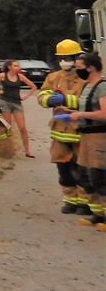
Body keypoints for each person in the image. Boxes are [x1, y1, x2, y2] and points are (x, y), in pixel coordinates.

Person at [40, 40, 89, 214]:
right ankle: (70, 201)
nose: (64, 61)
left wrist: (65, 100)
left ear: (77, 57)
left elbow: (88, 102)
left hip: (80, 132)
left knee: (83, 170)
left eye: (67, 57)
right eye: (61, 58)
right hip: (60, 132)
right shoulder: (54, 77)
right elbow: (42, 96)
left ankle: (85, 203)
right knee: (63, 169)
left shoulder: (86, 78)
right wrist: (48, 99)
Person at [65, 51, 106, 230]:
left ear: (91, 68)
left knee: (99, 176)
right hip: (85, 136)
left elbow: (104, 114)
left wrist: (81, 114)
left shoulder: (102, 87)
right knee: (85, 175)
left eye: (80, 68)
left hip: (99, 136)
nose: (77, 71)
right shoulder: (87, 86)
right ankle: (98, 214)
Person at [0, 59, 39, 157]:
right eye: (15, 66)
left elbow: (33, 87)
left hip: (17, 103)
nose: (17, 67)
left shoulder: (20, 77)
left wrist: (25, 96)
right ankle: (9, 149)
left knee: (22, 127)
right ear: (9, 67)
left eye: (17, 66)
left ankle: (27, 151)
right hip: (5, 102)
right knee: (7, 127)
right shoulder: (3, 75)